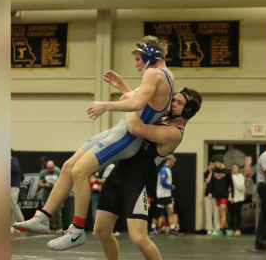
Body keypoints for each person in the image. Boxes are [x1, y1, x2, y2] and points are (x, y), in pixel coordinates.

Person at [14, 36, 174, 246]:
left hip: (126, 137)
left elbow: (138, 103)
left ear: (148, 55)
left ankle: (77, 230)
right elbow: (144, 102)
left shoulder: (154, 73)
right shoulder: (164, 74)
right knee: (69, 166)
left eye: (137, 58)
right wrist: (122, 86)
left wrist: (106, 105)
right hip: (120, 131)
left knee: (80, 171)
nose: (136, 64)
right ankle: (43, 216)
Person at [91, 87, 202, 260]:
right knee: (101, 229)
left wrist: (133, 100)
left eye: (178, 102)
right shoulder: (162, 117)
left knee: (139, 238)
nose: (172, 104)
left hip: (136, 184)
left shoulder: (174, 133)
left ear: (187, 111)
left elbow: (133, 127)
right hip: (117, 176)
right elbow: (143, 101)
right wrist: (124, 88)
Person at [208, 157, 233, 236]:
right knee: (221, 213)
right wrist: (209, 192)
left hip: (224, 195)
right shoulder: (215, 171)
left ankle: (220, 229)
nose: (214, 165)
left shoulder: (227, 172)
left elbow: (231, 184)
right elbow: (211, 183)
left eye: (215, 163)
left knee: (222, 212)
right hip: (217, 195)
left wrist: (232, 195)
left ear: (219, 162)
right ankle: (226, 229)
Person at [155, 154, 178, 235]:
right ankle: (154, 227)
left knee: (170, 211)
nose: (173, 163)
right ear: (168, 160)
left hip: (167, 194)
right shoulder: (164, 170)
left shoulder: (168, 169)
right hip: (162, 194)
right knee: (158, 212)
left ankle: (172, 228)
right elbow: (163, 182)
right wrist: (171, 186)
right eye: (172, 161)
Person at [203, 159, 221, 235]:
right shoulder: (206, 173)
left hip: (216, 194)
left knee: (216, 212)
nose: (211, 166)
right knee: (208, 211)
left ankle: (216, 228)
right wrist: (210, 173)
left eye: (212, 165)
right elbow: (208, 181)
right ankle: (209, 228)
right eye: (210, 165)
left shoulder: (217, 173)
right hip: (208, 194)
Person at [228, 163, 245, 236]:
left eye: (236, 168)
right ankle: (231, 228)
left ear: (238, 169)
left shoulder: (241, 177)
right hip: (231, 198)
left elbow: (241, 187)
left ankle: (238, 229)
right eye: (233, 167)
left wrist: (234, 182)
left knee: (238, 214)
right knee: (231, 214)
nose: (234, 169)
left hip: (239, 198)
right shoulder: (229, 176)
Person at [11, 149, 25, 230]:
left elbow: (13, 169)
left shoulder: (14, 160)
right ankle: (13, 225)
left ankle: (22, 222)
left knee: (13, 205)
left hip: (13, 186)